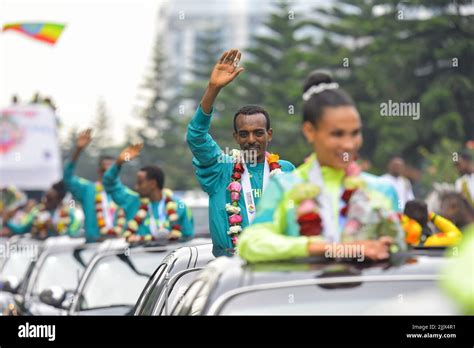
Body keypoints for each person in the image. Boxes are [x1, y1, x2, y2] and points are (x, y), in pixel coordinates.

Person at [238, 71, 401, 263]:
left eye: (355, 133)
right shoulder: (285, 187)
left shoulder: (380, 189)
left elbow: (399, 250)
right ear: (309, 131)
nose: (349, 145)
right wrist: (330, 249)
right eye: (337, 134)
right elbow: (250, 244)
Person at [186, 48, 295, 257]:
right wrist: (213, 89)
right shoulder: (220, 168)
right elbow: (196, 137)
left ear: (269, 135)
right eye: (244, 134)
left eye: (258, 133)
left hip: (278, 266)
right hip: (232, 269)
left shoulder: (286, 171)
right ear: (236, 137)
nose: (251, 140)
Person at [103, 144, 194, 243]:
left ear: (152, 184)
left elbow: (187, 237)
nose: (136, 187)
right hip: (139, 257)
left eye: (140, 183)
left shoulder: (179, 205)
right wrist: (118, 163)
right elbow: (109, 184)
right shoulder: (131, 201)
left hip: (169, 256)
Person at [63, 129, 121, 242]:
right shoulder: (88, 190)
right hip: (93, 247)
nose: (110, 171)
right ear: (99, 170)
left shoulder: (121, 193)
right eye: (106, 167)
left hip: (118, 247)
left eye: (113, 168)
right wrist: (78, 150)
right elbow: (67, 177)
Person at [2, 181, 82, 239]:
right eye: (45, 197)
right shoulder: (37, 212)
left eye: (49, 199)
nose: (45, 201)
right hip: (41, 256)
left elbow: (73, 234)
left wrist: (54, 229)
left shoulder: (69, 213)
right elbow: (21, 230)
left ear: (59, 200)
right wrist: (7, 222)